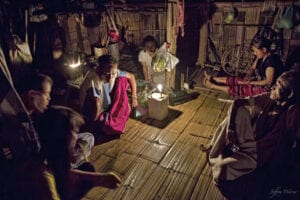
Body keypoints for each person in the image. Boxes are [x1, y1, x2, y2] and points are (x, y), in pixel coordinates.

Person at [201, 69, 300, 199]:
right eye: (275, 83)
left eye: (277, 86)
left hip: (258, 154)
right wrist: (231, 128)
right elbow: (238, 102)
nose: (272, 87)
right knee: (238, 113)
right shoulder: (270, 98)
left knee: (221, 171)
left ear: (289, 94)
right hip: (250, 140)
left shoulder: (293, 112)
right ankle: (215, 145)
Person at [34, 105, 121, 200]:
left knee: (87, 168)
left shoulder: (47, 157)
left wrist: (100, 178)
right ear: (64, 138)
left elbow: (63, 171)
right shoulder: (45, 181)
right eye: (75, 132)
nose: (77, 136)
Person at [203, 38, 284, 97]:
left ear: (264, 49)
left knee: (240, 89)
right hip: (257, 80)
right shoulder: (261, 56)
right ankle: (214, 78)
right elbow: (252, 68)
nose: (254, 53)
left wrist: (250, 83)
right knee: (238, 80)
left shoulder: (271, 62)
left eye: (256, 51)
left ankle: (213, 86)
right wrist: (247, 77)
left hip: (265, 89)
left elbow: (268, 82)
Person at [79, 55, 138, 136]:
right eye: (106, 74)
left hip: (105, 106)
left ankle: (117, 114)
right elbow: (96, 105)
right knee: (109, 126)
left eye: (113, 73)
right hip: (91, 111)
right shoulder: (94, 79)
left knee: (122, 80)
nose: (110, 77)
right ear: (99, 69)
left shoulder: (113, 72)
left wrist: (134, 98)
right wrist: (93, 126)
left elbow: (131, 77)